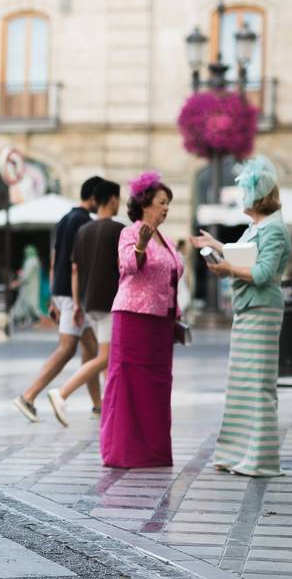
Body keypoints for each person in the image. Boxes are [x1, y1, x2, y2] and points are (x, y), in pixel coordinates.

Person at [192, 155, 292, 477]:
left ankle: (260, 459)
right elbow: (243, 254)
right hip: (249, 310)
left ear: (257, 197)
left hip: (262, 310)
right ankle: (236, 454)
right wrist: (216, 245)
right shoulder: (257, 227)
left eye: (245, 193)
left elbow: (262, 273)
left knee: (259, 384)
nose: (241, 199)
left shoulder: (274, 230)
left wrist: (226, 269)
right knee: (241, 385)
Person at [101, 171, 182, 468]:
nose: (166, 208)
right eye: (162, 202)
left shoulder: (168, 239)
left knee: (157, 388)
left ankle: (154, 452)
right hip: (134, 318)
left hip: (161, 323)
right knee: (130, 384)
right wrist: (140, 248)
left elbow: (172, 276)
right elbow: (127, 267)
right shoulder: (131, 232)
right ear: (145, 203)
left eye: (168, 203)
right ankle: (125, 452)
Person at [13, 177, 102, 422]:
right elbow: (78, 264)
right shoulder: (84, 221)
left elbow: (54, 259)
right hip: (75, 295)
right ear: (94, 198)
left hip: (62, 291)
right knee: (67, 348)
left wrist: (53, 296)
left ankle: (98, 406)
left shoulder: (64, 219)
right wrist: (75, 300)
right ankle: (28, 397)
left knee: (92, 349)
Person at [47, 179, 124, 426]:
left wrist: (78, 303)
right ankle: (62, 393)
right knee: (104, 357)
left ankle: (104, 404)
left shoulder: (83, 230)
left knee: (96, 352)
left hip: (89, 303)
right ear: (112, 199)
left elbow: (74, 270)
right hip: (110, 301)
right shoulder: (117, 230)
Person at [10, 246, 44, 326]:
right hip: (32, 286)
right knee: (27, 304)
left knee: (29, 304)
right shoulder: (36, 260)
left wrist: (17, 282)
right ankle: (25, 320)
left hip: (28, 287)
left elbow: (26, 275)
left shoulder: (31, 261)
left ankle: (39, 320)